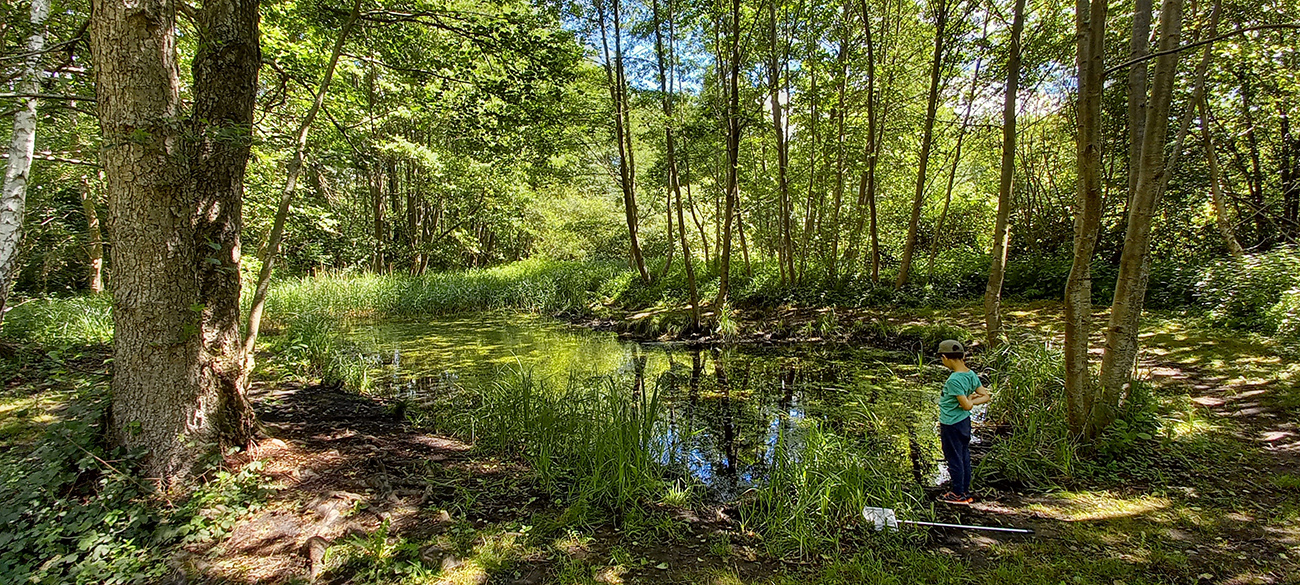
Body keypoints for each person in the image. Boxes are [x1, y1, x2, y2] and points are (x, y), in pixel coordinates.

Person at [936, 339, 990, 505]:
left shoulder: (954, 380)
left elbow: (966, 405)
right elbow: (986, 395)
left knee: (954, 458)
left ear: (945, 357)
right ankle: (964, 490)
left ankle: (958, 494)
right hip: (964, 423)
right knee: (964, 455)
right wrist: (972, 397)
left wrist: (969, 400)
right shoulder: (970, 374)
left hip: (951, 424)